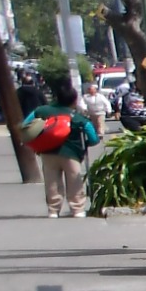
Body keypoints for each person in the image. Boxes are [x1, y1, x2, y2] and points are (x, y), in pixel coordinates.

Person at [19, 75, 96, 217]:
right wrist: (91, 142)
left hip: (47, 152)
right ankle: (77, 208)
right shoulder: (77, 117)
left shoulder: (42, 111)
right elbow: (92, 135)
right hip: (71, 154)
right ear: (74, 100)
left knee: (51, 181)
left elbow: (26, 125)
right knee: (74, 180)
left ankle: (53, 210)